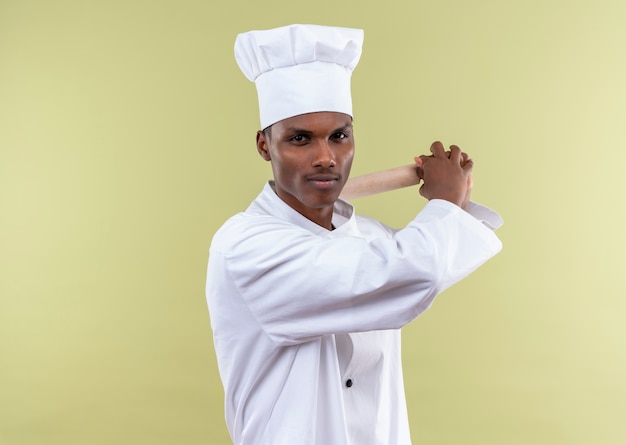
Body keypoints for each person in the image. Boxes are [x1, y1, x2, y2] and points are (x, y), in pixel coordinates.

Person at [206, 24, 503, 445]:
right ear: (264, 145)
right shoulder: (246, 246)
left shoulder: (370, 237)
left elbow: (422, 259)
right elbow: (412, 270)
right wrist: (445, 201)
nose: (326, 157)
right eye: (300, 139)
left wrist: (455, 201)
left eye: (339, 136)